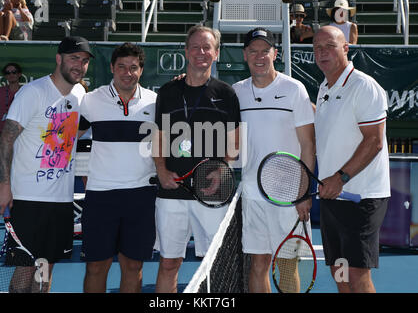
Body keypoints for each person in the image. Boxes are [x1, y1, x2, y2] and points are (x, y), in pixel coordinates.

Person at [0, 36, 93, 293]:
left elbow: (72, 133)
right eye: (74, 58)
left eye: (84, 61)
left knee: (45, 267)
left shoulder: (81, 93)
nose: (79, 65)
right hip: (28, 199)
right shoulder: (33, 92)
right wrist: (4, 184)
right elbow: (6, 140)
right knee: (26, 269)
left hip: (61, 201)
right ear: (59, 59)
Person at [153, 25, 240, 293]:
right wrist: (161, 170)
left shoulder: (226, 93)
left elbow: (234, 143)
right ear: (186, 51)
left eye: (207, 48)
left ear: (215, 53)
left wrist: (222, 171)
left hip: (212, 194)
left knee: (218, 265)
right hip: (171, 193)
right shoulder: (168, 92)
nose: (200, 52)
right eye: (195, 47)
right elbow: (157, 137)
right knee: (169, 263)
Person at [232, 27, 315, 293]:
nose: (259, 57)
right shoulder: (236, 92)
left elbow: (308, 144)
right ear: (245, 55)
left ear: (275, 54)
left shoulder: (294, 90)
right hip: (252, 196)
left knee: (287, 266)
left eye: (265, 51)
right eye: (253, 51)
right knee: (258, 264)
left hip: (288, 196)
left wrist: (303, 192)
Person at [313, 26, 390, 293]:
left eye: (329, 46)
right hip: (333, 198)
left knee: (357, 273)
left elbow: (374, 141)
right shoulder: (324, 87)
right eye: (317, 47)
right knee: (340, 272)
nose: (322, 52)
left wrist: (340, 177)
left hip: (362, 197)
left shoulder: (364, 86)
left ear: (346, 48)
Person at [79, 43, 158, 293]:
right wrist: (84, 175)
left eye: (133, 67)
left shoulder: (156, 102)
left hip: (141, 196)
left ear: (141, 70)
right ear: (112, 68)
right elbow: (68, 139)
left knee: (133, 266)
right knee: (95, 266)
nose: (127, 73)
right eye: (121, 67)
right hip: (100, 196)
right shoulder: (90, 101)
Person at [0, 62, 22, 139]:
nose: (11, 75)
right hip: (1, 136)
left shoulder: (26, 91)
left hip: (21, 136)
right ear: (5, 76)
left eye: (14, 72)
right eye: (8, 73)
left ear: (19, 74)